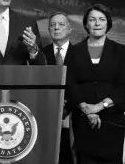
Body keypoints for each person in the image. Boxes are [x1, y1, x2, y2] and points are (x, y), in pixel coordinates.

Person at [66, 4, 125, 163]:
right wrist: (86, 109)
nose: (97, 24)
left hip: (111, 119)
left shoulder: (119, 50)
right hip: (83, 118)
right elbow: (70, 83)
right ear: (86, 24)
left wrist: (99, 107)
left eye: (101, 19)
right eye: (92, 20)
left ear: (108, 24)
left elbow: (123, 86)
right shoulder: (74, 51)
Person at [43, 12, 75, 164]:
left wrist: (68, 104)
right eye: (53, 25)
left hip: (73, 114)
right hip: (46, 114)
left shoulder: (80, 53)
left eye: (61, 24)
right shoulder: (40, 54)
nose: (56, 28)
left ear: (70, 29)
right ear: (49, 30)